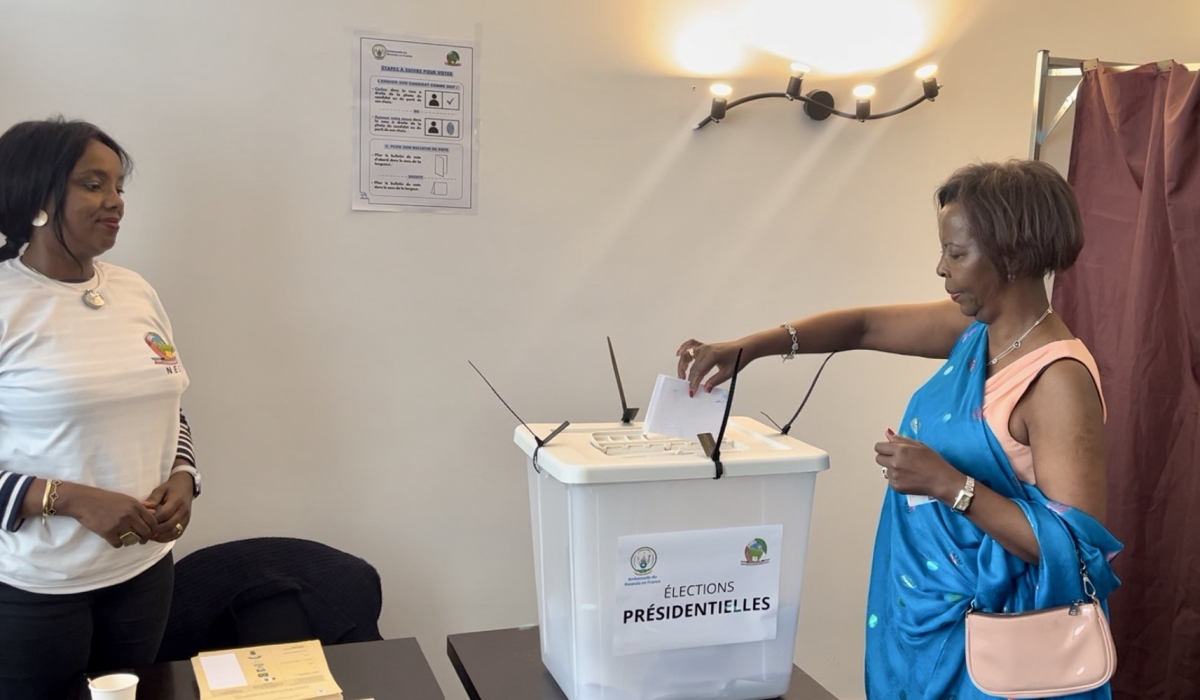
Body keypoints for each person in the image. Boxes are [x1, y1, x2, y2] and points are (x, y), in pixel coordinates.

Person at [677, 159, 1121, 699]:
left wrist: (950, 485)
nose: (940, 268)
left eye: (956, 254)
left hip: (997, 641)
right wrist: (747, 348)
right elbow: (863, 326)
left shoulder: (1057, 380)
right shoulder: (977, 336)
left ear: (1012, 256)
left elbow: (1077, 549)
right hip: (927, 609)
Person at [0, 117, 199, 699]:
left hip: (143, 574)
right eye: (93, 184)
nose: (115, 202)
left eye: (118, 187)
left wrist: (185, 476)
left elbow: (169, 406)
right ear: (38, 194)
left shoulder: (135, 291)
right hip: (37, 591)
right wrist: (69, 499)